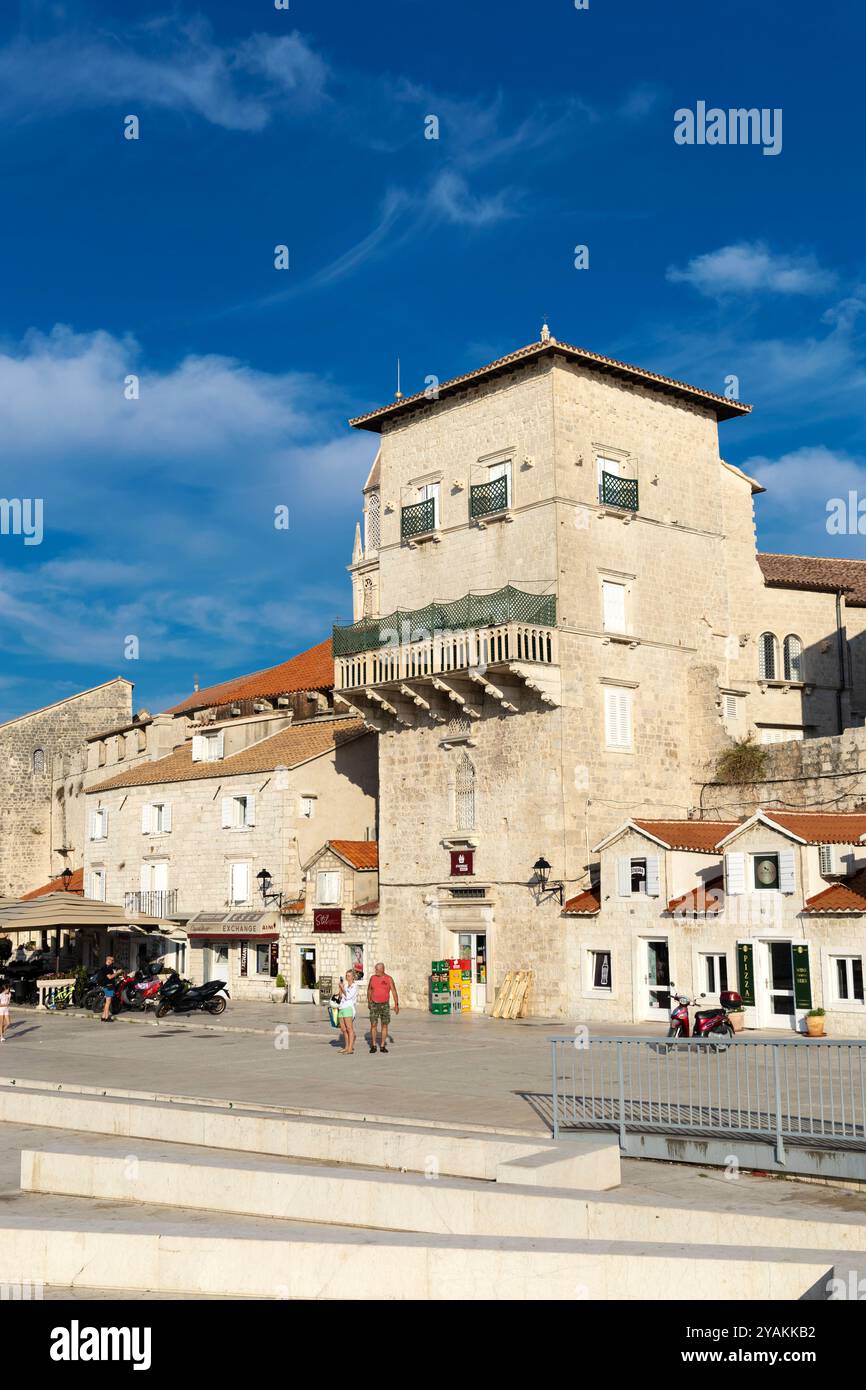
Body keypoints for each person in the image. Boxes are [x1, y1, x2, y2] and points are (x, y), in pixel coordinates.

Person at [367, 961, 399, 1054]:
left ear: (382, 970)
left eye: (377, 970)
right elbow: (369, 990)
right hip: (374, 1003)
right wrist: (369, 1001)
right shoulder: (372, 978)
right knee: (373, 1024)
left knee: (384, 1025)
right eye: (375, 969)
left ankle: (382, 1046)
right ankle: (373, 1045)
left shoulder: (389, 979)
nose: (375, 971)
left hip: (384, 1004)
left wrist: (396, 1004)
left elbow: (394, 991)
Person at [337, 970, 358, 1055]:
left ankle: (350, 1048)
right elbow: (340, 997)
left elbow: (349, 996)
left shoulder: (354, 986)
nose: (347, 977)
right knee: (343, 1029)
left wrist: (342, 988)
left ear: (353, 977)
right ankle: (346, 1047)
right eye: (346, 976)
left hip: (348, 1008)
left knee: (349, 1028)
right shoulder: (345, 985)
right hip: (341, 1007)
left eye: (349, 976)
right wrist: (340, 989)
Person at [96, 955, 118, 1023]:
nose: (113, 962)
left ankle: (103, 1017)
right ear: (109, 960)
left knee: (106, 1002)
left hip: (105, 986)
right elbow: (110, 977)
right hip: (109, 986)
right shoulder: (108, 968)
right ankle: (106, 1017)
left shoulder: (103, 967)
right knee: (108, 1002)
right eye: (112, 960)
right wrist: (117, 973)